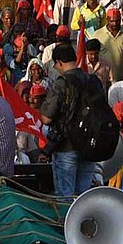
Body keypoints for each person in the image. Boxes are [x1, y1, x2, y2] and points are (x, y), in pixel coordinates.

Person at [37, 44, 100, 198]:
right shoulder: (93, 80)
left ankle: (65, 223)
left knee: (65, 198)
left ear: (59, 62)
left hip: (66, 146)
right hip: (90, 146)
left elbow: (46, 118)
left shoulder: (61, 83)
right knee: (82, 198)